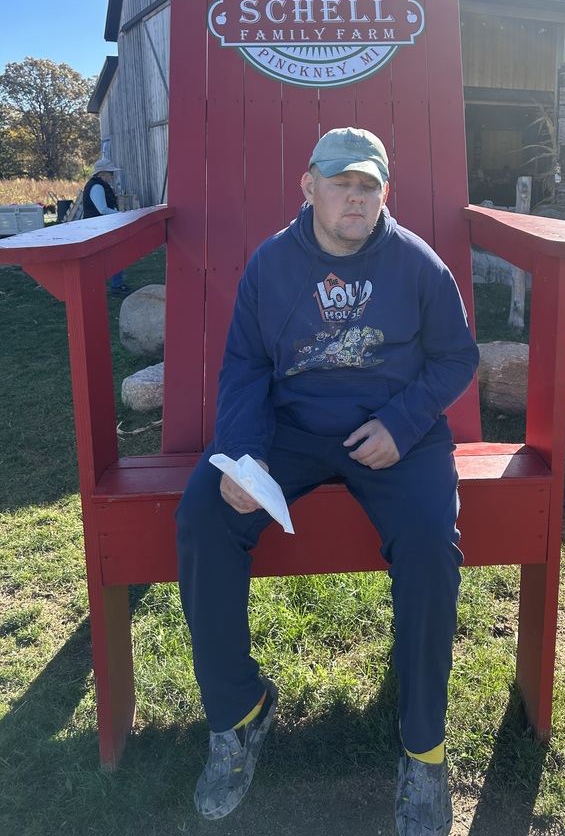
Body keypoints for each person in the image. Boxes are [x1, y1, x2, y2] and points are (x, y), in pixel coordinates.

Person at [175, 127, 479, 835]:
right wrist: (245, 458)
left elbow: (456, 358)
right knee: (204, 514)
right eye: (342, 183)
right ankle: (239, 713)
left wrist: (402, 425)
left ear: (384, 194)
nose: (356, 197)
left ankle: (423, 748)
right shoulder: (271, 265)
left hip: (396, 433)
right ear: (308, 186)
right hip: (295, 429)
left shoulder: (417, 264)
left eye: (368, 185)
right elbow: (246, 367)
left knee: (433, 544)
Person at [82, 156, 133, 295]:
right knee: (115, 254)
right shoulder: (97, 187)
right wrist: (119, 214)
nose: (112, 176)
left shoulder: (98, 185)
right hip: (98, 227)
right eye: (111, 173)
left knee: (111, 255)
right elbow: (102, 209)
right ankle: (116, 284)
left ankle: (108, 284)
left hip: (99, 225)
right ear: (103, 173)